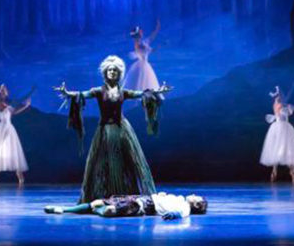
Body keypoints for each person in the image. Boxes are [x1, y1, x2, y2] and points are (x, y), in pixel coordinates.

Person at [54, 55, 171, 203]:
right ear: (105, 72)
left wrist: (157, 92)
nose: (112, 72)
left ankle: (125, 193)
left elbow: (141, 93)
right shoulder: (98, 91)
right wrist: (67, 93)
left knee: (126, 161)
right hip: (105, 130)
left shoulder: (123, 92)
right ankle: (105, 193)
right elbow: (82, 94)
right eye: (109, 70)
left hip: (122, 130)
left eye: (115, 70)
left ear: (119, 73)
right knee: (104, 162)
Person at [260, 86, 294, 184]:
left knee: (285, 148)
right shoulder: (280, 105)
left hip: (280, 127)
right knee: (280, 148)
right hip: (281, 128)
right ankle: (278, 171)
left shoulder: (281, 104)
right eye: (278, 96)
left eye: (279, 96)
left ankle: (288, 170)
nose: (279, 97)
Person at [0, 84, 30, 185]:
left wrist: (25, 106)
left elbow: (13, 112)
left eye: (5, 89)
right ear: (0, 92)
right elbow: (5, 109)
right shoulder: (0, 104)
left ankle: (19, 174)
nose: (5, 91)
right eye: (2, 90)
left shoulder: (7, 103)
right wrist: (12, 105)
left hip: (9, 128)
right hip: (1, 129)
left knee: (13, 151)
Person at [44, 193, 208, 220]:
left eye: (196, 197)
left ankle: (97, 211)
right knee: (97, 202)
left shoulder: (185, 207)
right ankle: (63, 209)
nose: (193, 194)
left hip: (143, 206)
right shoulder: (179, 198)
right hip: (142, 198)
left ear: (196, 204)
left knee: (109, 210)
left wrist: (173, 215)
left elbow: (179, 213)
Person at [123, 20, 160, 91]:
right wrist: (150, 50)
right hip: (142, 64)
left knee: (145, 81)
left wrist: (157, 28)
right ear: (138, 35)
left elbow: (152, 36)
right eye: (140, 32)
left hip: (145, 63)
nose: (142, 33)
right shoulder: (137, 43)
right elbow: (139, 51)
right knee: (140, 80)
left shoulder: (144, 42)